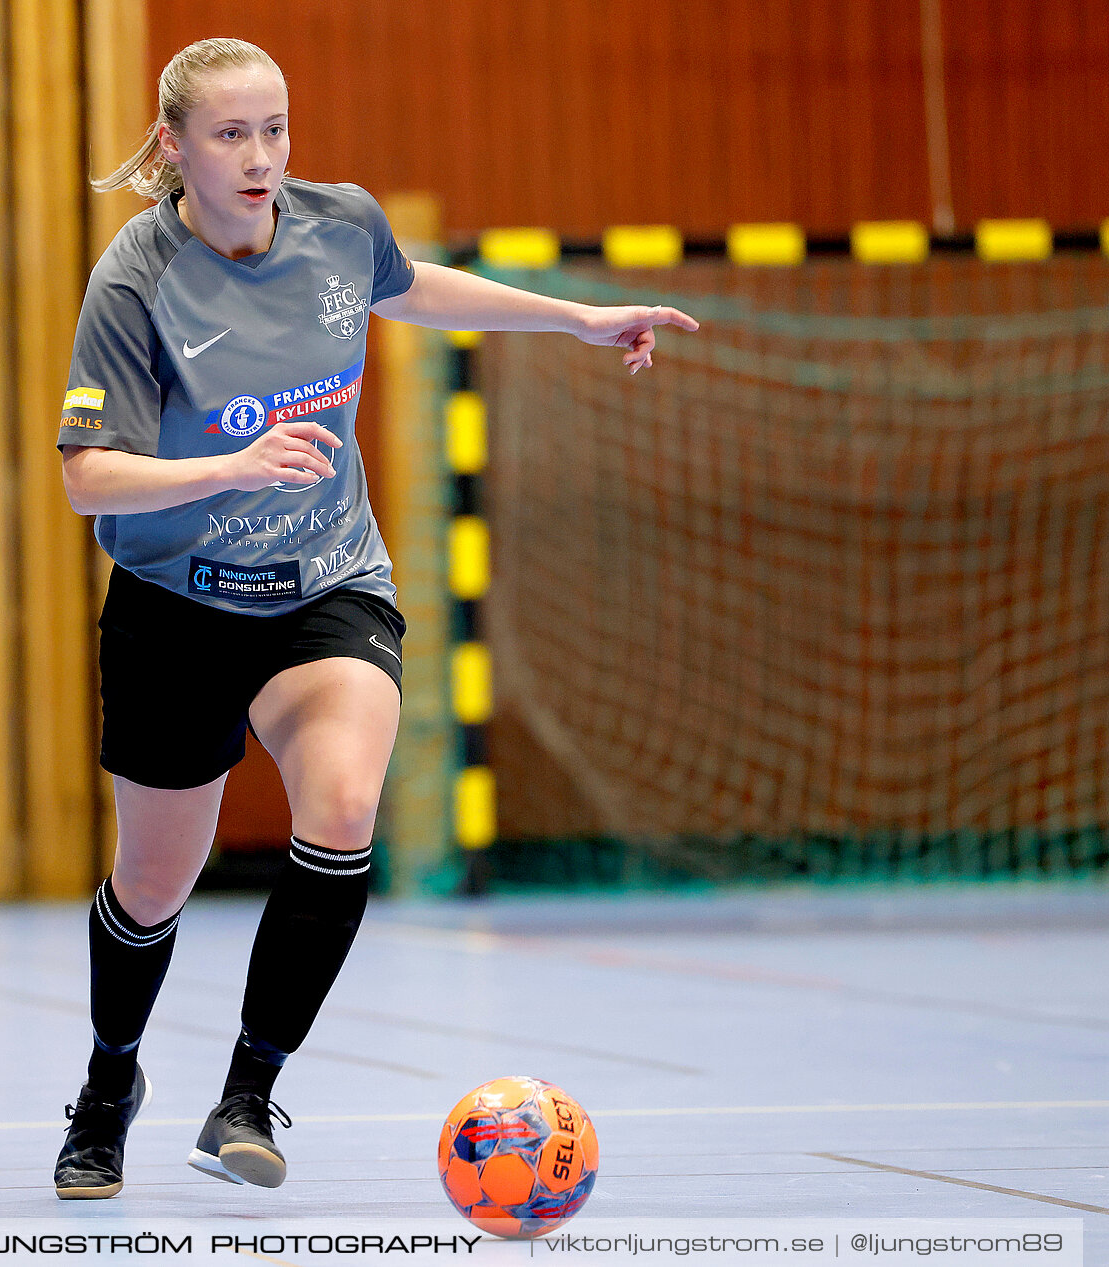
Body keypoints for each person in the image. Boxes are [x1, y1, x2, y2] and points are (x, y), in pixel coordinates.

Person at [49, 37, 698, 1199]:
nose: (261, 158)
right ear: (173, 148)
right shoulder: (136, 278)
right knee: (152, 884)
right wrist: (227, 466)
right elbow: (89, 477)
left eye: (276, 130)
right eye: (231, 136)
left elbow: (412, 285)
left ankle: (248, 1091)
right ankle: (109, 1084)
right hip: (173, 602)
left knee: (344, 807)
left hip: (323, 584)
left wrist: (575, 319)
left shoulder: (337, 225)